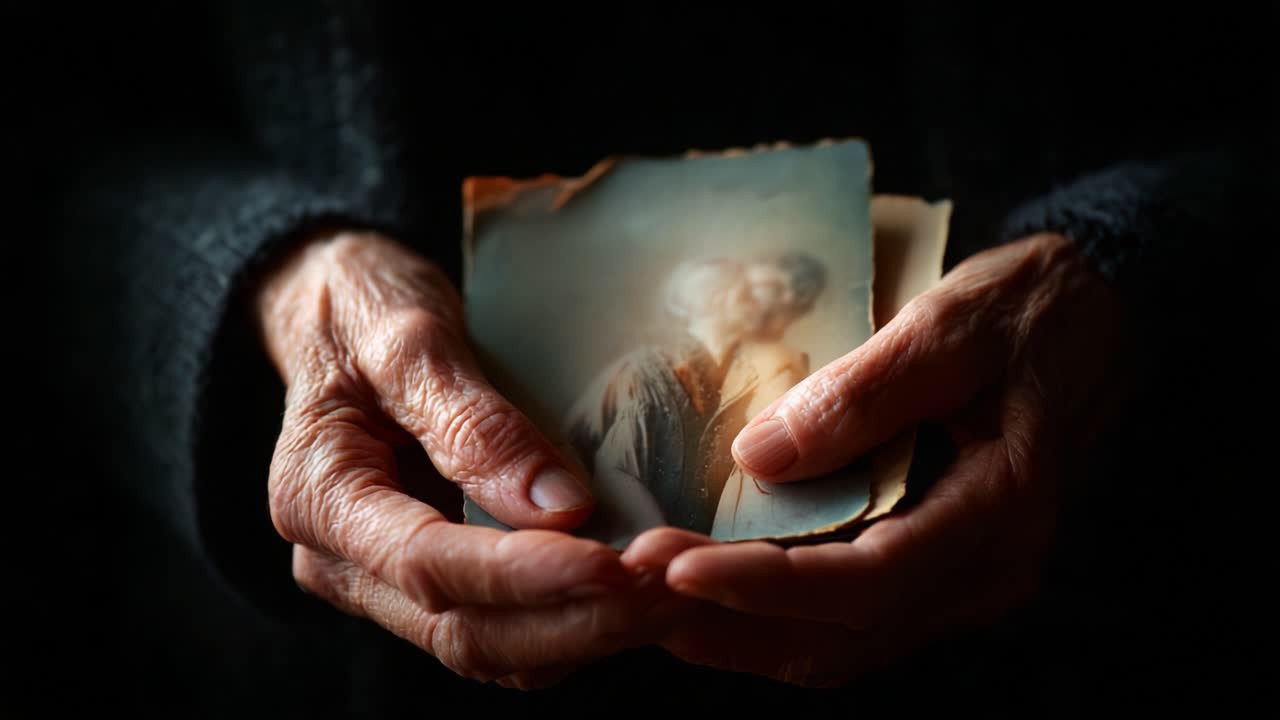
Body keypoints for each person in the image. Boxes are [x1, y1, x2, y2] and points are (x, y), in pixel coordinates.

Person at [28, 1, 1270, 712]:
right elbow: (50, 122)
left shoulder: (759, 365)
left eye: (773, 284)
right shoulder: (647, 379)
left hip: (1099, 627)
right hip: (297, 678)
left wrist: (1135, 264)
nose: (757, 290)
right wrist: (263, 284)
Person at [563, 253, 826, 542]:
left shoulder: (752, 372)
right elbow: (596, 457)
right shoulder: (641, 371)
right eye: (746, 297)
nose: (760, 307)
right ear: (713, 301)